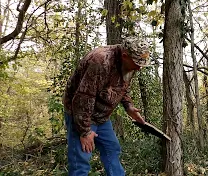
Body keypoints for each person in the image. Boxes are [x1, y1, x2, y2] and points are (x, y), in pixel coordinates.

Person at [62, 37, 150, 176]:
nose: (139, 68)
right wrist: (85, 132)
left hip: (102, 117)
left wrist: (129, 107)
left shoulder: (129, 64)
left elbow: (123, 87)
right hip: (81, 115)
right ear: (125, 56)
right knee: (81, 161)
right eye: (137, 64)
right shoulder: (100, 61)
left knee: (112, 149)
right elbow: (83, 98)